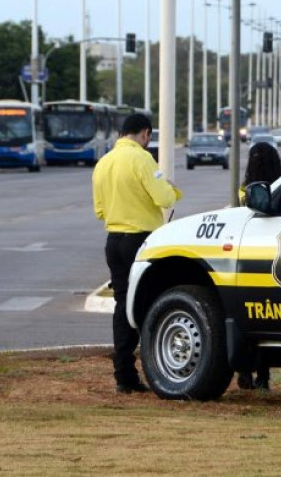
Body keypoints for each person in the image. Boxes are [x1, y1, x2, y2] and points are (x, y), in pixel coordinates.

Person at [92, 113, 182, 394]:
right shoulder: (143, 159)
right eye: (148, 137)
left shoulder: (103, 162)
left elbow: (100, 210)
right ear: (145, 133)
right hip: (141, 241)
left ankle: (124, 375)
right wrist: (172, 190)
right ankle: (158, 370)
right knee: (148, 307)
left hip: (114, 241)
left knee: (123, 306)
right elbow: (164, 198)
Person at [237, 142, 281, 390]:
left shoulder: (245, 191)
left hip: (249, 256)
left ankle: (245, 374)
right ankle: (264, 378)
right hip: (274, 256)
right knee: (266, 318)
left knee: (247, 319)